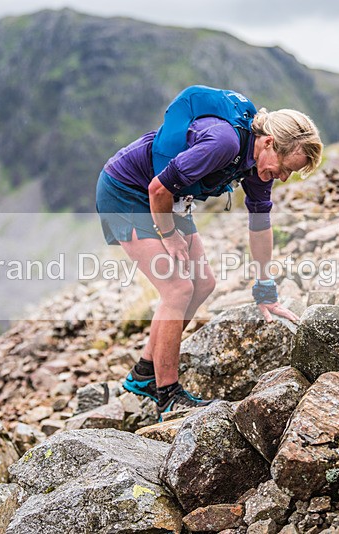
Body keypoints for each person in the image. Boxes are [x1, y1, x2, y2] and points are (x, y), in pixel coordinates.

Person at [95, 85, 323, 417]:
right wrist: (169, 234)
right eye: (286, 167)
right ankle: (168, 395)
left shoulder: (257, 165)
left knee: (203, 284)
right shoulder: (224, 142)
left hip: (169, 199)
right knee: (177, 288)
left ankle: (145, 374)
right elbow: (157, 187)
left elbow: (260, 224)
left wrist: (265, 288)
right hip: (127, 191)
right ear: (270, 143)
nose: (284, 177)